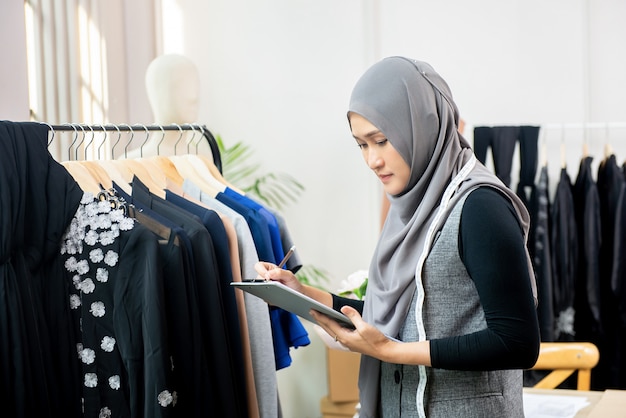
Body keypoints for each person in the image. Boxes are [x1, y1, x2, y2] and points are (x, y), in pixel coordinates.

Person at [254, 56, 540, 417]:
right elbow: (390, 322)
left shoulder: (481, 207)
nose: (372, 160)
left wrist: (391, 352)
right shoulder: (411, 209)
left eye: (382, 140)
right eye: (362, 144)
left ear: (423, 126)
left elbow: (517, 343)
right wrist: (302, 294)